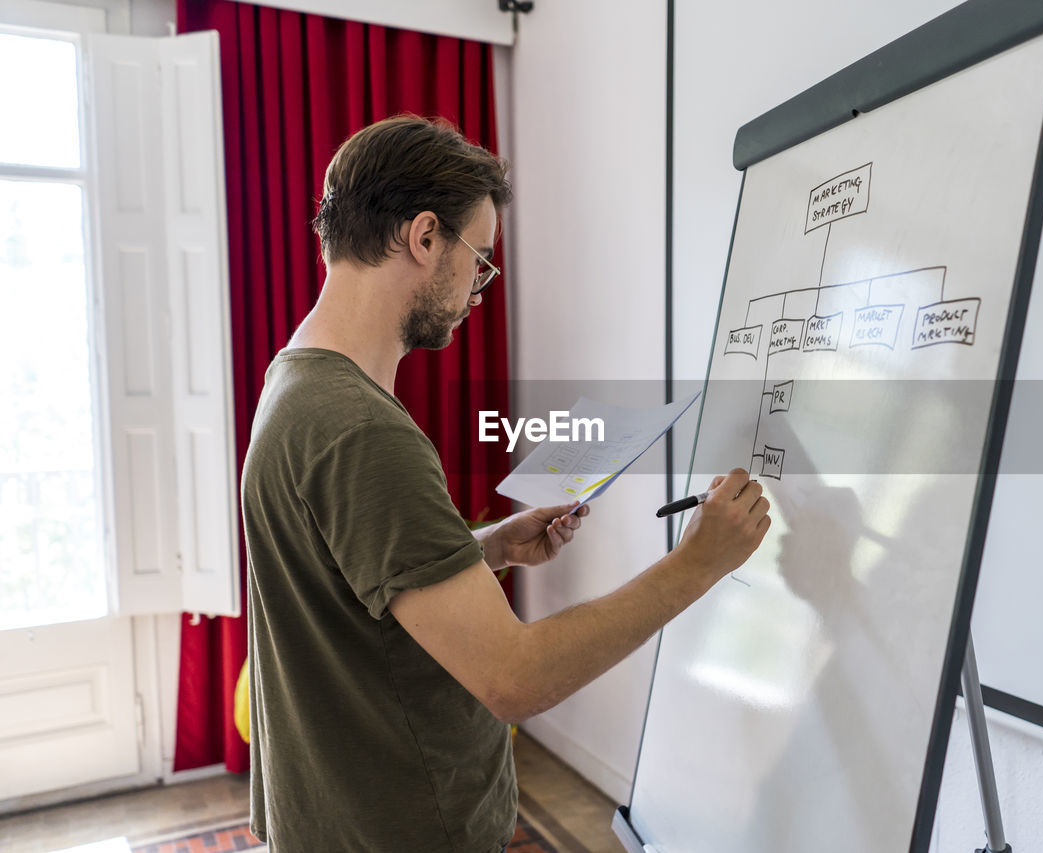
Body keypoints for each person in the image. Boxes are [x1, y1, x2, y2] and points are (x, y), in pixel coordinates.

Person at [240, 114, 771, 853]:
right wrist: (698, 562)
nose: (480, 288)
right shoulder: (363, 430)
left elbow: (344, 581)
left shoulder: (294, 381)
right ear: (424, 237)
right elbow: (516, 679)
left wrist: (482, 548)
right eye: (479, 259)